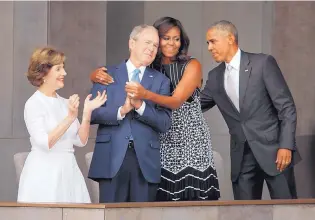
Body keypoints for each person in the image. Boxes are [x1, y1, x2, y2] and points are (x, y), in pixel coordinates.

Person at [90, 17, 220, 201]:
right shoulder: (145, 66)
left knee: (190, 197)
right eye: (165, 39)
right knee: (163, 197)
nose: (171, 43)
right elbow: (95, 109)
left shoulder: (186, 67)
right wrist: (95, 76)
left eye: (176, 38)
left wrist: (142, 98)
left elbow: (175, 102)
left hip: (188, 138)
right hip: (161, 144)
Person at [200, 20, 301, 200]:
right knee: (244, 213)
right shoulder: (214, 77)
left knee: (287, 211)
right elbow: (195, 106)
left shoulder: (263, 63)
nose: (209, 47)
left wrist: (286, 145)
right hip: (242, 157)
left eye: (213, 41)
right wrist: (158, 101)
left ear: (230, 38)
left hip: (275, 151)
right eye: (207, 43)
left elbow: (286, 107)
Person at [87, 25, 172, 203]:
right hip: (111, 157)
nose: (151, 49)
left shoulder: (161, 81)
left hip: (145, 162)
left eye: (155, 46)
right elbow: (92, 114)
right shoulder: (105, 74)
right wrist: (121, 111)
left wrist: (140, 106)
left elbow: (165, 123)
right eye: (147, 42)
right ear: (132, 43)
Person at [17, 47, 107, 203]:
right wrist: (70, 118)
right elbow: (45, 143)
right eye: (58, 69)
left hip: (69, 171)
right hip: (44, 174)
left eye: (63, 68)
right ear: (44, 73)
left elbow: (81, 141)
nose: (64, 73)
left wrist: (86, 113)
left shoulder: (65, 103)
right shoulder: (33, 104)